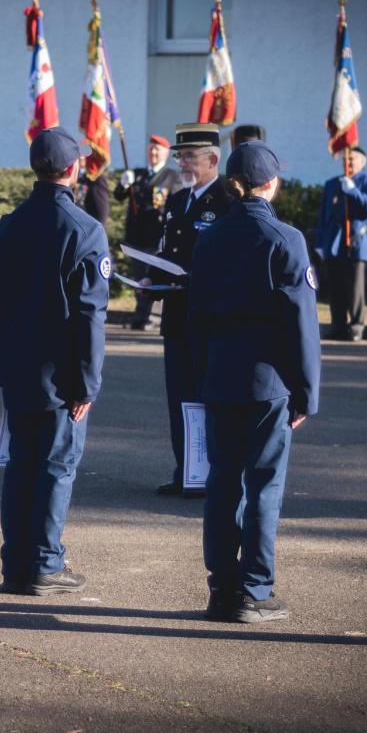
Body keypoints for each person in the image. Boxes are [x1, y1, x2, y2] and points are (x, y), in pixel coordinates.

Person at [186, 141, 320, 624]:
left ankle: (221, 587)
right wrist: (307, 392)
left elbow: (195, 318)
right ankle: (255, 590)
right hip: (268, 382)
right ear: (273, 184)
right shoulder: (285, 239)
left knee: (222, 483)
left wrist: (200, 375)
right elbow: (301, 324)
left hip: (220, 375)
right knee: (263, 485)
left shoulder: (211, 237)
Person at [0, 126, 109, 596]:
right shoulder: (85, 230)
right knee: (56, 465)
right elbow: (88, 316)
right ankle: (45, 563)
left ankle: (16, 561)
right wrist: (87, 384)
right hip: (60, 373)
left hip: (18, 367)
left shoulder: (11, 223)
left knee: (22, 463)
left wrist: (0, 361)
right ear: (74, 169)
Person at [140, 123, 226, 497]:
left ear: (213, 159)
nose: (183, 163)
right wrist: (148, 279)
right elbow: (167, 252)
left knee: (210, 397)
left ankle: (214, 475)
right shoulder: (178, 200)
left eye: (190, 156)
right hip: (176, 316)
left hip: (209, 318)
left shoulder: (228, 202)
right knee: (179, 397)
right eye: (181, 157)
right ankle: (186, 470)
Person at [114, 134, 180, 330]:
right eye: (151, 148)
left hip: (156, 235)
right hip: (136, 236)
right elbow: (119, 196)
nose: (153, 152)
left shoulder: (172, 177)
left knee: (152, 276)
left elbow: (173, 205)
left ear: (165, 153)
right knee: (138, 277)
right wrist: (124, 184)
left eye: (157, 149)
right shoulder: (139, 174)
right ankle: (141, 315)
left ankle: (150, 316)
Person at [315, 147, 367, 341]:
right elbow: (323, 216)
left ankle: (357, 326)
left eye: (353, 159)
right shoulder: (332, 184)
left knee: (355, 289)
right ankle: (338, 326)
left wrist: (353, 191)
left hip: (356, 241)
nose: (349, 163)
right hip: (333, 242)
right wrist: (320, 242)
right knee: (335, 288)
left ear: (363, 162)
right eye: (346, 159)